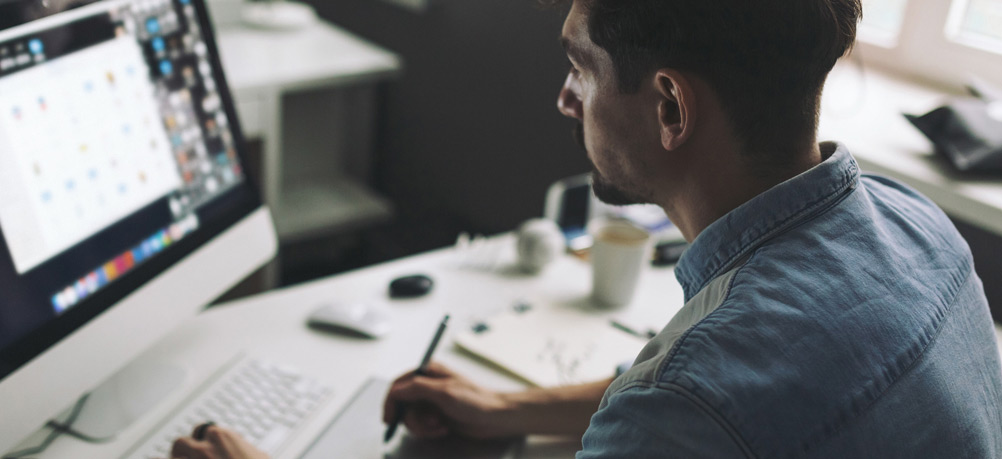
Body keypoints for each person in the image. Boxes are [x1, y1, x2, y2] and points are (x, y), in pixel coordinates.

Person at [171, 0, 1002, 457]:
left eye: (581, 69)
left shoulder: (684, 401)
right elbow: (736, 407)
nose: (565, 100)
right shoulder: (918, 226)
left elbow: (695, 407)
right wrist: (506, 407)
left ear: (670, 106)